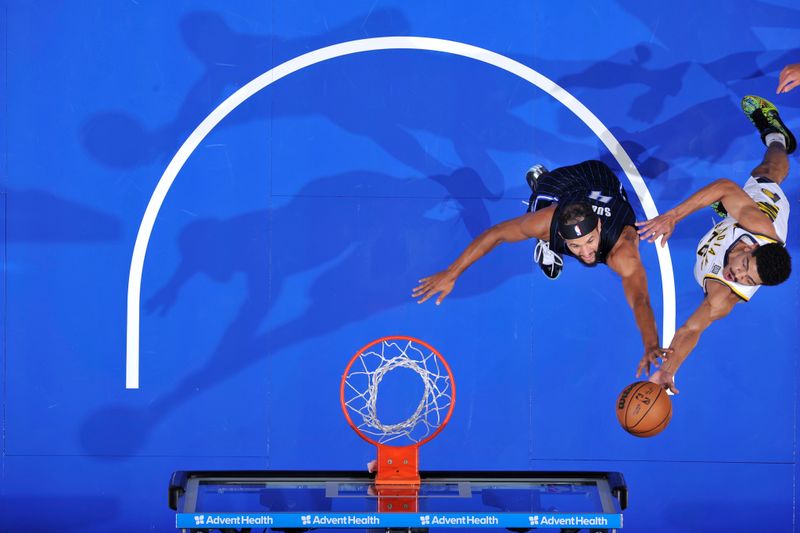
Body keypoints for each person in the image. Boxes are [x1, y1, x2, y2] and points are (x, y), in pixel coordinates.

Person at [413, 159, 669, 365]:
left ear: (599, 226)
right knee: (539, 203)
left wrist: (650, 344)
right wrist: (452, 272)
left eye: (589, 241)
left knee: (609, 182)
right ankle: (541, 183)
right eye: (575, 246)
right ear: (560, 236)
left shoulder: (621, 248)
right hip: (564, 186)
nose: (586, 253)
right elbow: (497, 234)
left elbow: (640, 299)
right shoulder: (546, 224)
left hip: (598, 178)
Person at [635, 95, 794, 393]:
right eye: (745, 267)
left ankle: (727, 213)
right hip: (763, 206)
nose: (740, 277)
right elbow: (723, 186)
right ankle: (778, 136)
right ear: (750, 248)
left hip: (734, 228)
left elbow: (692, 328)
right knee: (766, 173)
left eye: (749, 280)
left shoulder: (725, 296)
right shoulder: (758, 226)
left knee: (727, 205)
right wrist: (671, 217)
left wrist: (668, 371)